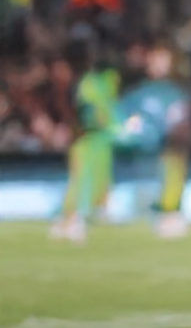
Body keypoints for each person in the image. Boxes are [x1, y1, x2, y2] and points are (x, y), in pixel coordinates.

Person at [116, 43, 191, 239]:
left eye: (164, 60)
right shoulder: (137, 93)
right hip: (138, 148)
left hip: (165, 146)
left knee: (175, 159)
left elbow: (181, 121)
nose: (161, 65)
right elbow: (124, 120)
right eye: (157, 60)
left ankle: (169, 211)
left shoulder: (174, 94)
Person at [50, 41, 119, 244]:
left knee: (84, 178)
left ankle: (75, 218)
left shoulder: (84, 84)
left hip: (86, 136)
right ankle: (73, 219)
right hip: (87, 136)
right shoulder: (89, 83)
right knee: (83, 178)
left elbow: (85, 112)